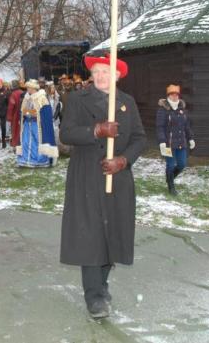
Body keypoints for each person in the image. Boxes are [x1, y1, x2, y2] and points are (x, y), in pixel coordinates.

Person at [59, 55, 146, 319]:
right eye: (96, 71)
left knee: (113, 233)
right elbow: (66, 133)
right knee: (90, 235)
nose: (99, 76)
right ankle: (94, 296)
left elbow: (140, 139)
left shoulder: (127, 102)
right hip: (86, 176)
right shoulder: (78, 99)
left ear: (116, 76)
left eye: (105, 72)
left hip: (117, 177)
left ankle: (102, 284)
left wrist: (123, 161)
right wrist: (96, 131)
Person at [155, 84, 195, 196]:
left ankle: (170, 177)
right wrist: (162, 141)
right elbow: (159, 127)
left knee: (182, 164)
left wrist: (191, 138)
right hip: (168, 144)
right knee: (171, 165)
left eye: (176, 94)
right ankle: (171, 186)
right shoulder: (163, 110)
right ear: (168, 95)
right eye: (172, 94)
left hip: (181, 142)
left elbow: (186, 126)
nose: (175, 96)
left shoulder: (182, 110)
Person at [16, 80, 59, 167]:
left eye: (29, 87)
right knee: (26, 142)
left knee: (37, 142)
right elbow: (22, 111)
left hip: (37, 125)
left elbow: (46, 113)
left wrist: (34, 113)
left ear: (33, 88)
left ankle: (38, 160)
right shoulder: (26, 98)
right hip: (27, 125)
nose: (27, 89)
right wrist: (25, 113)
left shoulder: (42, 98)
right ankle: (26, 160)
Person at [6, 80, 25, 150]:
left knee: (15, 131)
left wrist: (9, 117)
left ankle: (15, 145)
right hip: (23, 114)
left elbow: (11, 106)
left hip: (15, 115)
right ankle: (22, 144)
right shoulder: (22, 92)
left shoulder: (13, 94)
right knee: (22, 130)